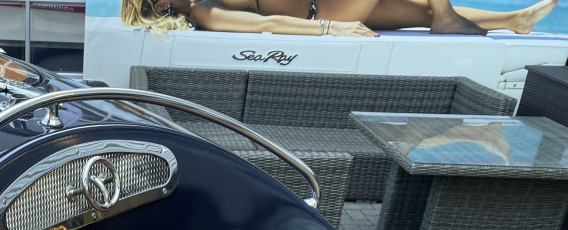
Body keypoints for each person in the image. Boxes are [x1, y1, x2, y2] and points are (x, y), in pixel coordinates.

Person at [122, 0, 556, 36]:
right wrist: (332, 27)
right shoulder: (205, 10)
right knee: (434, 12)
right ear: (161, 5)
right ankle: (445, 17)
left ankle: (514, 20)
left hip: (328, 3)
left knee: (418, 10)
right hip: (326, 11)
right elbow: (267, 24)